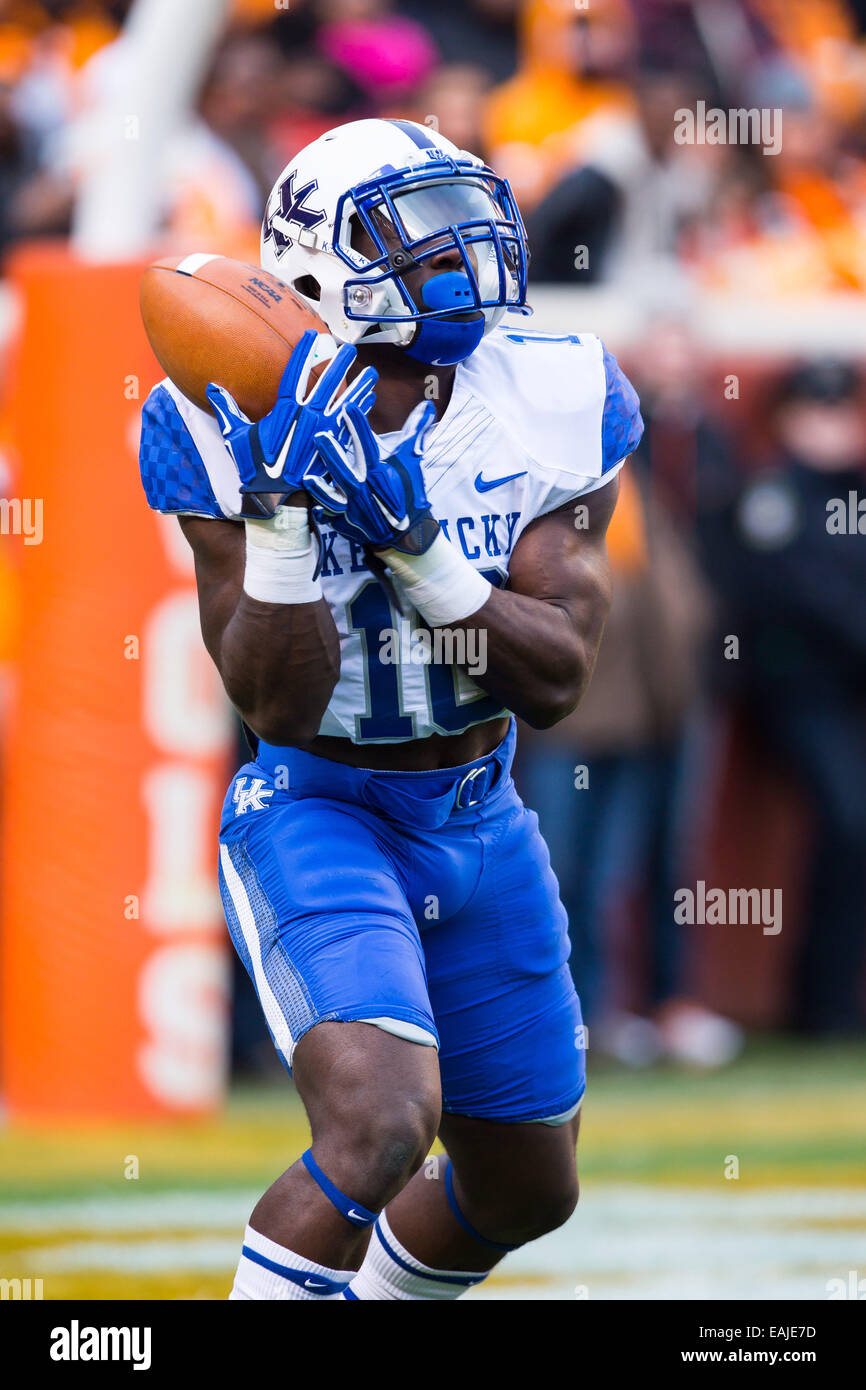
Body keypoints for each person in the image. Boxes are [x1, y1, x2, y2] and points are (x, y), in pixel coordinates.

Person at [138, 117, 642, 1301]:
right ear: (314, 264)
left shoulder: (552, 391)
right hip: (321, 802)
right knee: (378, 1124)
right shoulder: (218, 410)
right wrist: (279, 517)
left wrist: (411, 548)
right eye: (414, 229)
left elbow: (556, 677)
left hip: (478, 807)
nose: (459, 253)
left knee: (528, 1188)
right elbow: (276, 699)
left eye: (462, 213)